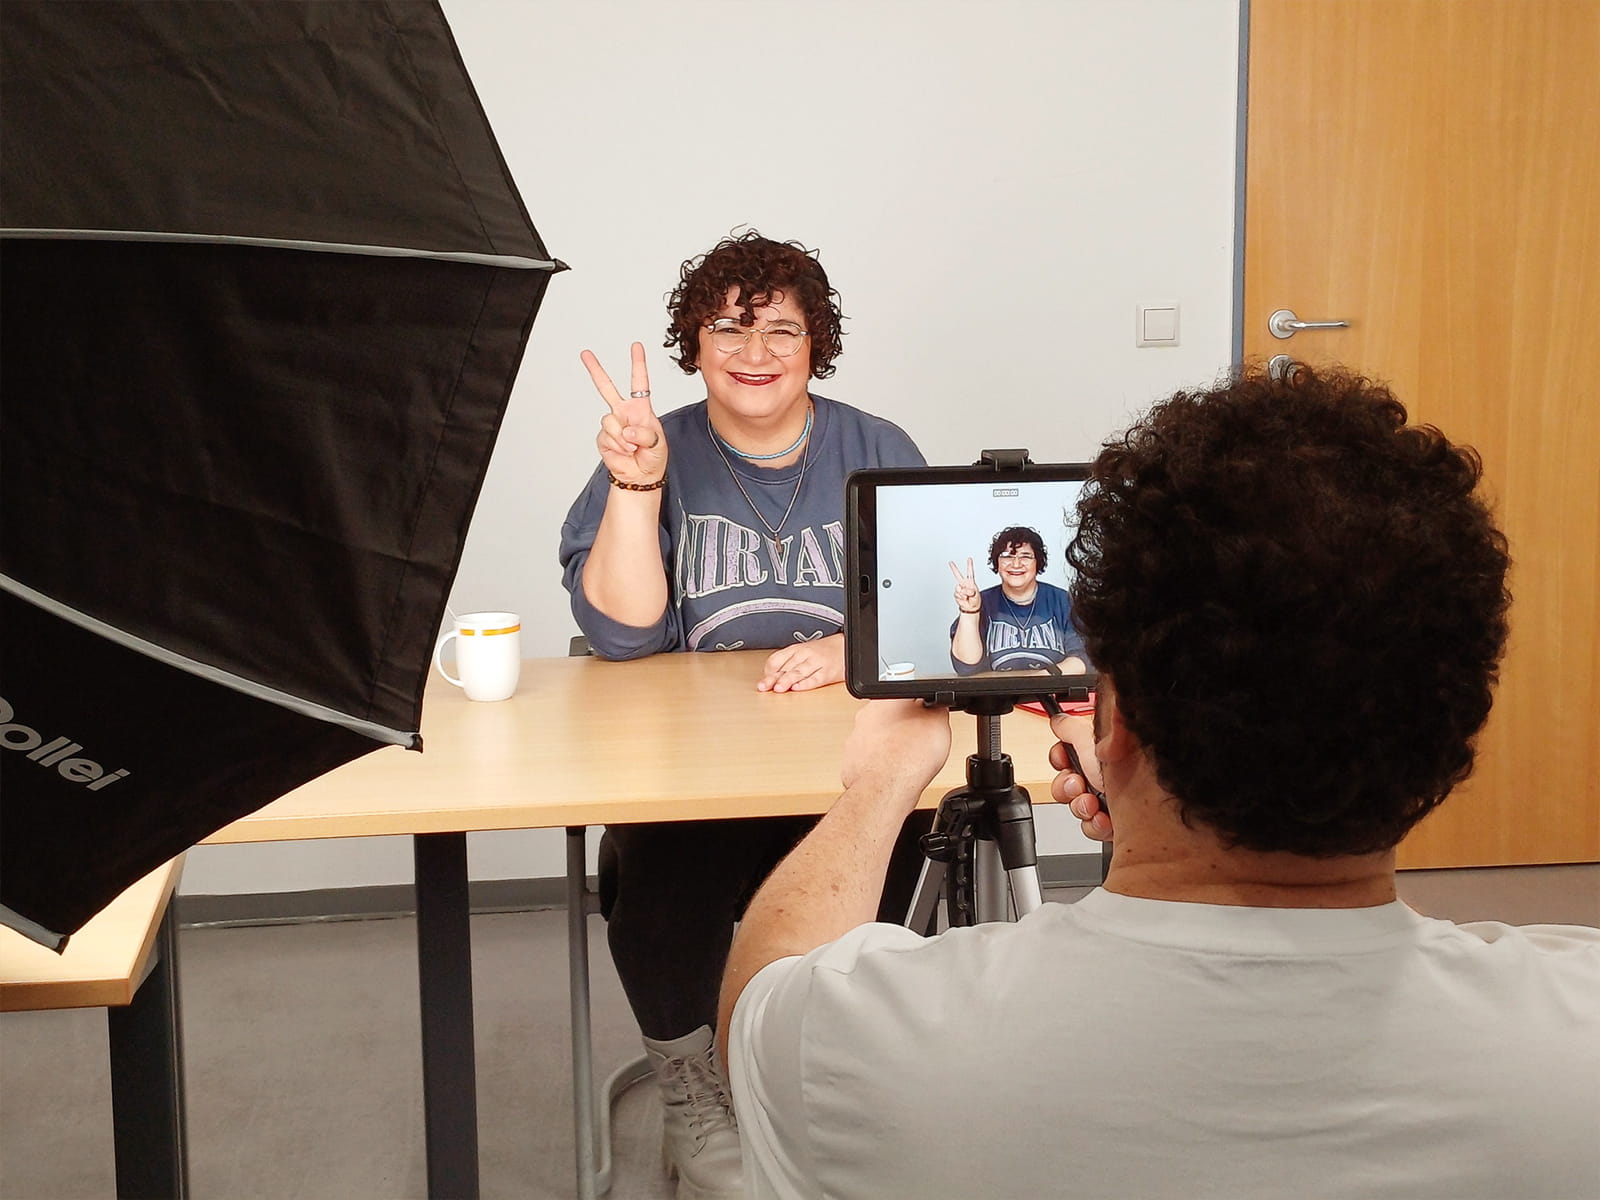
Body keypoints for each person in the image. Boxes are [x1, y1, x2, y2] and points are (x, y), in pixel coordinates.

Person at [718, 365, 1600, 1200]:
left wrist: (878, 787)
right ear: (1450, 732)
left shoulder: (869, 1044)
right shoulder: (1576, 1039)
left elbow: (759, 1000)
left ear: (1118, 715)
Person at [559, 230, 929, 1199]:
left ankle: (835, 1077)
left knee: (898, 844)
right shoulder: (655, 446)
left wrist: (853, 653)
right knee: (659, 869)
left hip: (846, 755)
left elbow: (936, 615)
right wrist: (636, 490)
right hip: (696, 767)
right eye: (727, 325)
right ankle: (692, 1089)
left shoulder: (877, 448)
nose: (753, 350)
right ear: (693, 342)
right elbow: (624, 637)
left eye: (780, 328)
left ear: (817, 344)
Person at [948, 525, 1088, 674]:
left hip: (1051, 695)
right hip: (995, 695)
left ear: (1038, 562)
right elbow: (966, 667)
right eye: (1007, 556)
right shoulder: (982, 602)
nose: (1016, 564)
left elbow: (1085, 659)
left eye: (1025, 556)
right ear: (997, 562)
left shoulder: (1063, 601)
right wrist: (970, 611)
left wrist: (1042, 679)